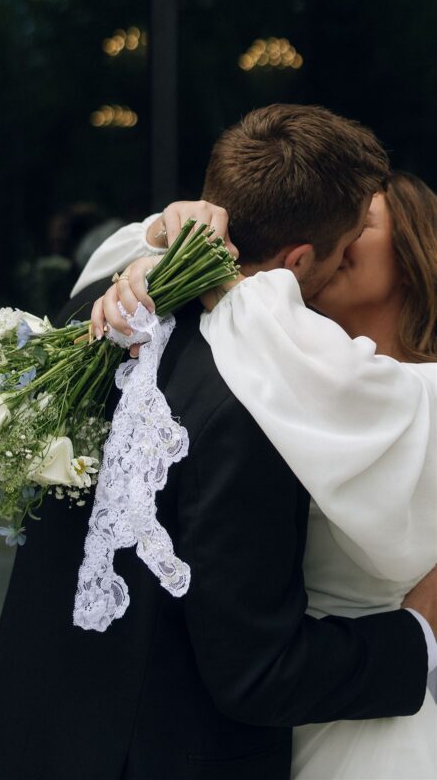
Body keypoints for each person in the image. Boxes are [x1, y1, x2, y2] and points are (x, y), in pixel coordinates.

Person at [0, 105, 437, 780]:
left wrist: (163, 230)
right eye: (346, 241)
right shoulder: (262, 399)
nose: (346, 256)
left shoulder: (97, 301)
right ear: (301, 258)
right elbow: (257, 672)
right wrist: (417, 635)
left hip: (27, 736)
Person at [82, 169, 437, 777]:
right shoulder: (273, 368)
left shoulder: (388, 389)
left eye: (362, 225)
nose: (341, 240)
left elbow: (265, 311)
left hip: (365, 706)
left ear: (414, 253)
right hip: (260, 725)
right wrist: (158, 251)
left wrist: (193, 255)